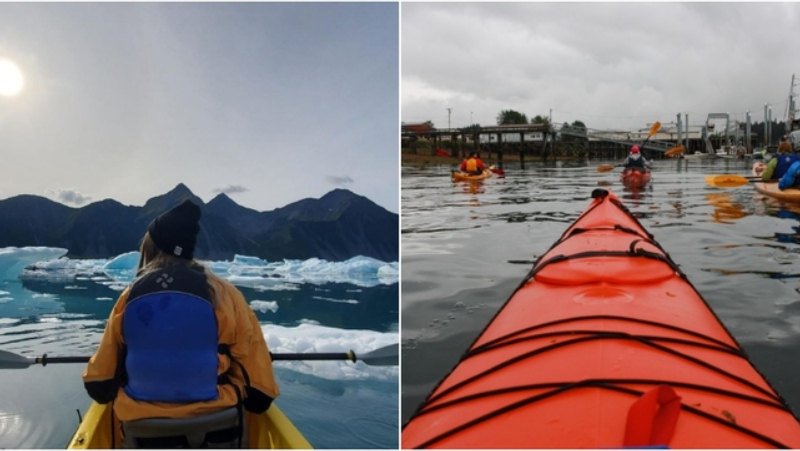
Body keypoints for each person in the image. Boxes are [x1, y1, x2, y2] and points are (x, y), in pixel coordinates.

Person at [83, 199, 279, 448]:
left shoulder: (130, 296)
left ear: (152, 247)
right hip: (218, 430)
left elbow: (99, 386)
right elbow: (260, 396)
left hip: (144, 432)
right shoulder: (226, 295)